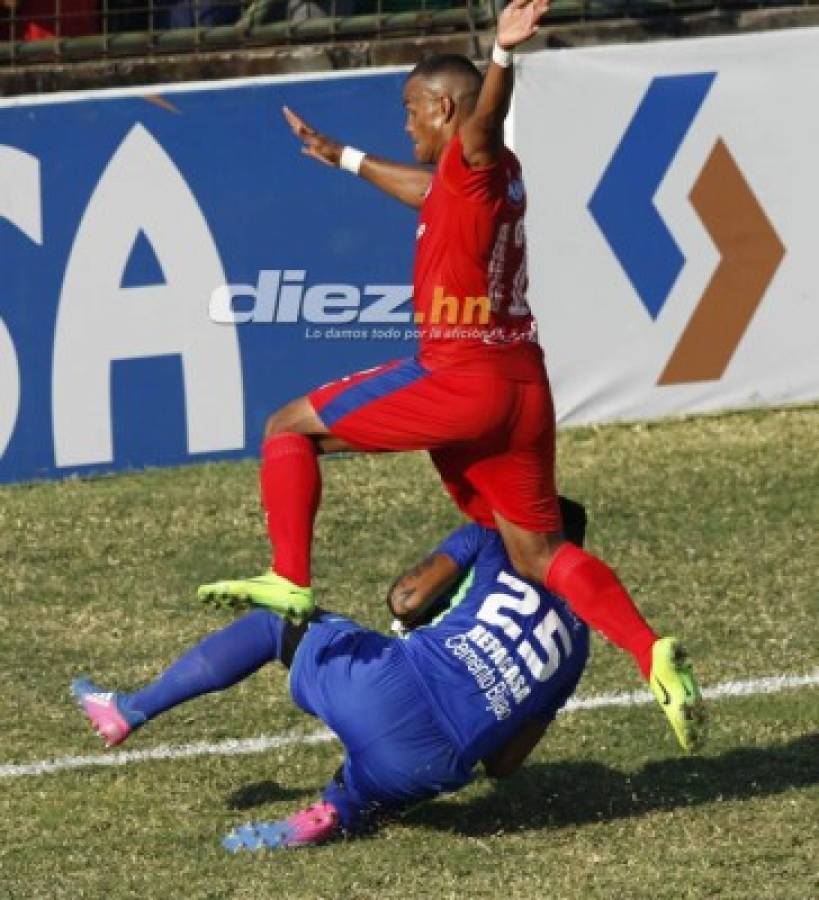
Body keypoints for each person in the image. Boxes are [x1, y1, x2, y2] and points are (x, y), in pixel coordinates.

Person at [198, 0, 703, 752]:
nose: (404, 126)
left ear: (442, 107)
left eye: (410, 112)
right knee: (537, 553)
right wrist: (341, 155)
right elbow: (424, 188)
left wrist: (499, 57)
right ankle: (648, 651)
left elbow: (481, 125)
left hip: (459, 377)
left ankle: (289, 578)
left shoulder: (477, 147)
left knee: (286, 426)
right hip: (520, 388)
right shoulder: (473, 184)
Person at [72, 500, 702, 849]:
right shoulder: (583, 643)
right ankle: (334, 812)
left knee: (274, 626)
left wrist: (426, 608)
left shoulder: (493, 537)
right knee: (377, 781)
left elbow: (403, 601)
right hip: (435, 766)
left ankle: (129, 709)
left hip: (388, 688)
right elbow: (505, 765)